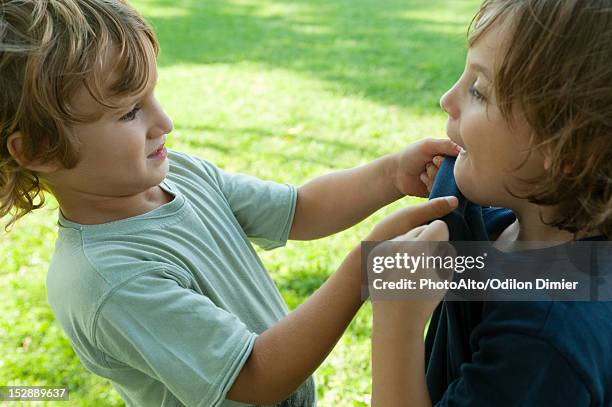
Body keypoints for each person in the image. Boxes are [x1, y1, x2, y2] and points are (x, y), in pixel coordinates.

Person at [0, 1, 459, 406]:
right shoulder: (107, 279)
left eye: (152, 96)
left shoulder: (179, 174)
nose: (165, 121)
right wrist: (363, 269)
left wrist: (389, 175)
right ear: (41, 150)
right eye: (128, 112)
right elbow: (258, 376)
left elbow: (300, 209)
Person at [370, 0, 612, 406]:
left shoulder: (544, 340)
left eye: (478, 90)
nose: (447, 99)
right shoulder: (487, 221)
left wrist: (396, 323)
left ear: (567, 148)